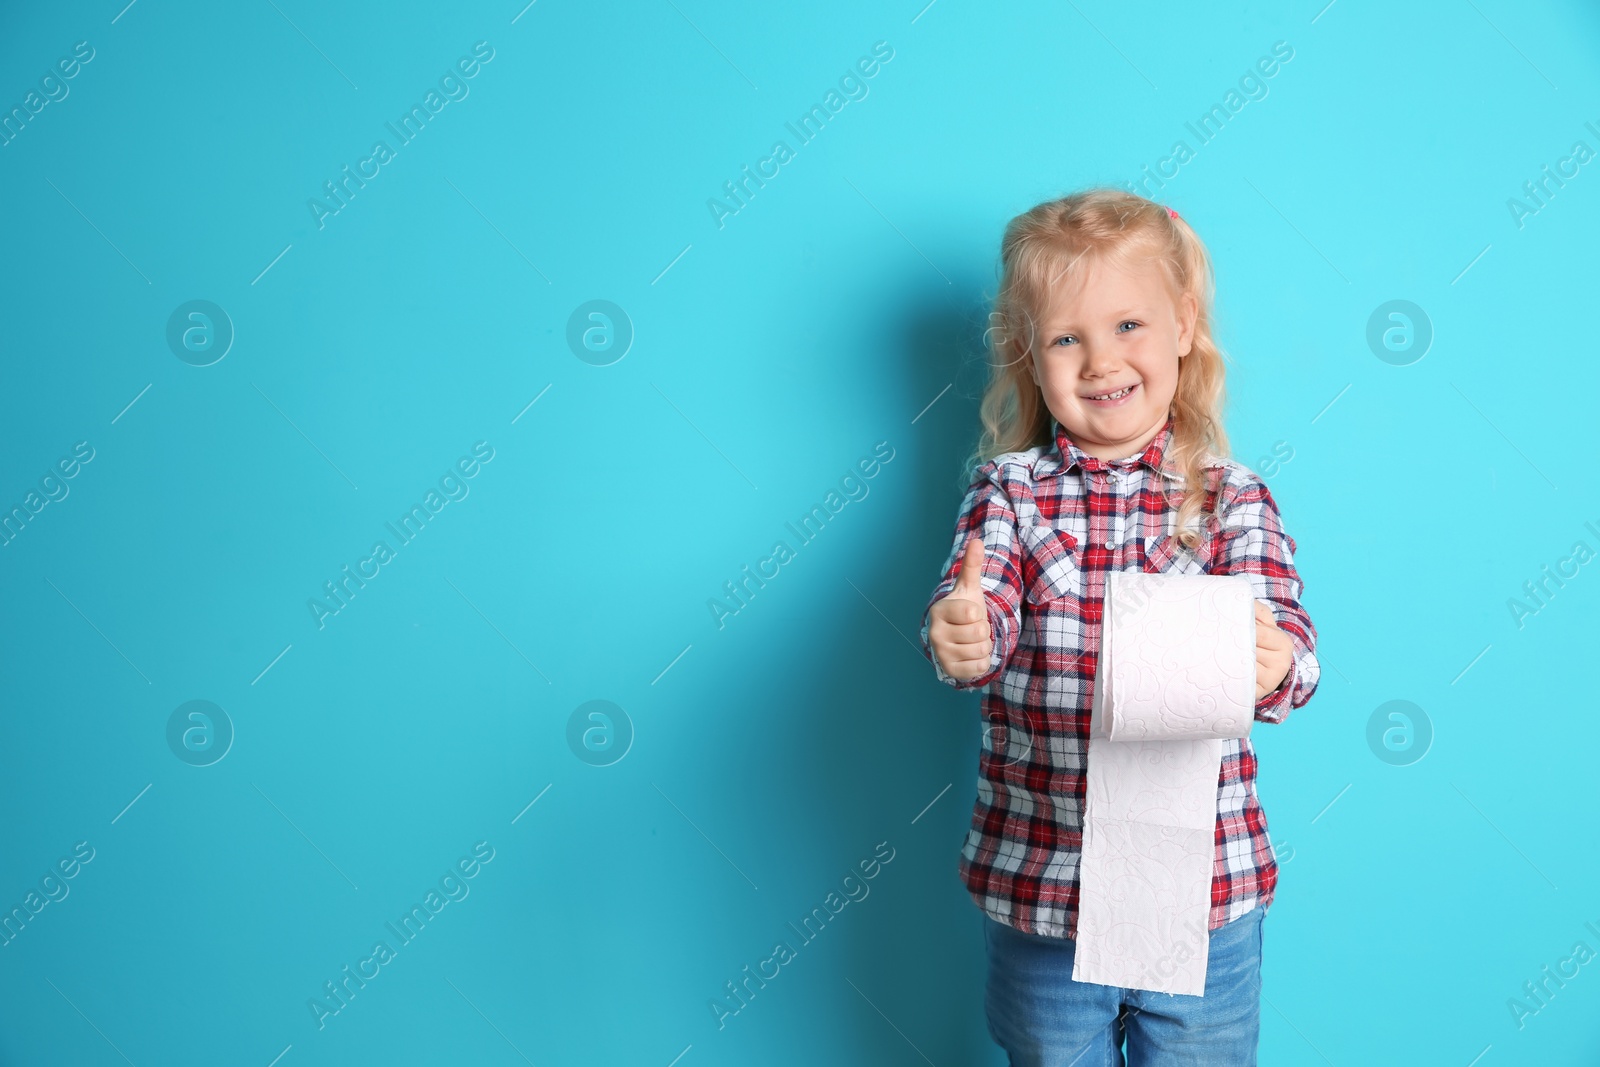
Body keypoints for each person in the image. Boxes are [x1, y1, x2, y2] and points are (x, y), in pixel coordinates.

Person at [919, 189, 1320, 1065]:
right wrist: (962, 632)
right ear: (1032, 354)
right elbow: (976, 609)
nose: (1101, 360)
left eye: (1128, 325)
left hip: (1203, 896)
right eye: (1067, 338)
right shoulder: (1009, 493)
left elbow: (1289, 644)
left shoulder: (1232, 498)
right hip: (1046, 887)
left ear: (1182, 325)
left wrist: (1274, 657)